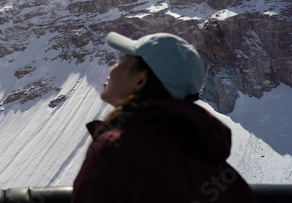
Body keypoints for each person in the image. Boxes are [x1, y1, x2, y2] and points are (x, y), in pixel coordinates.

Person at [71, 32, 257, 203]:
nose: (112, 67)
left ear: (141, 80)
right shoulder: (216, 165)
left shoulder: (114, 152)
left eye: (122, 60)